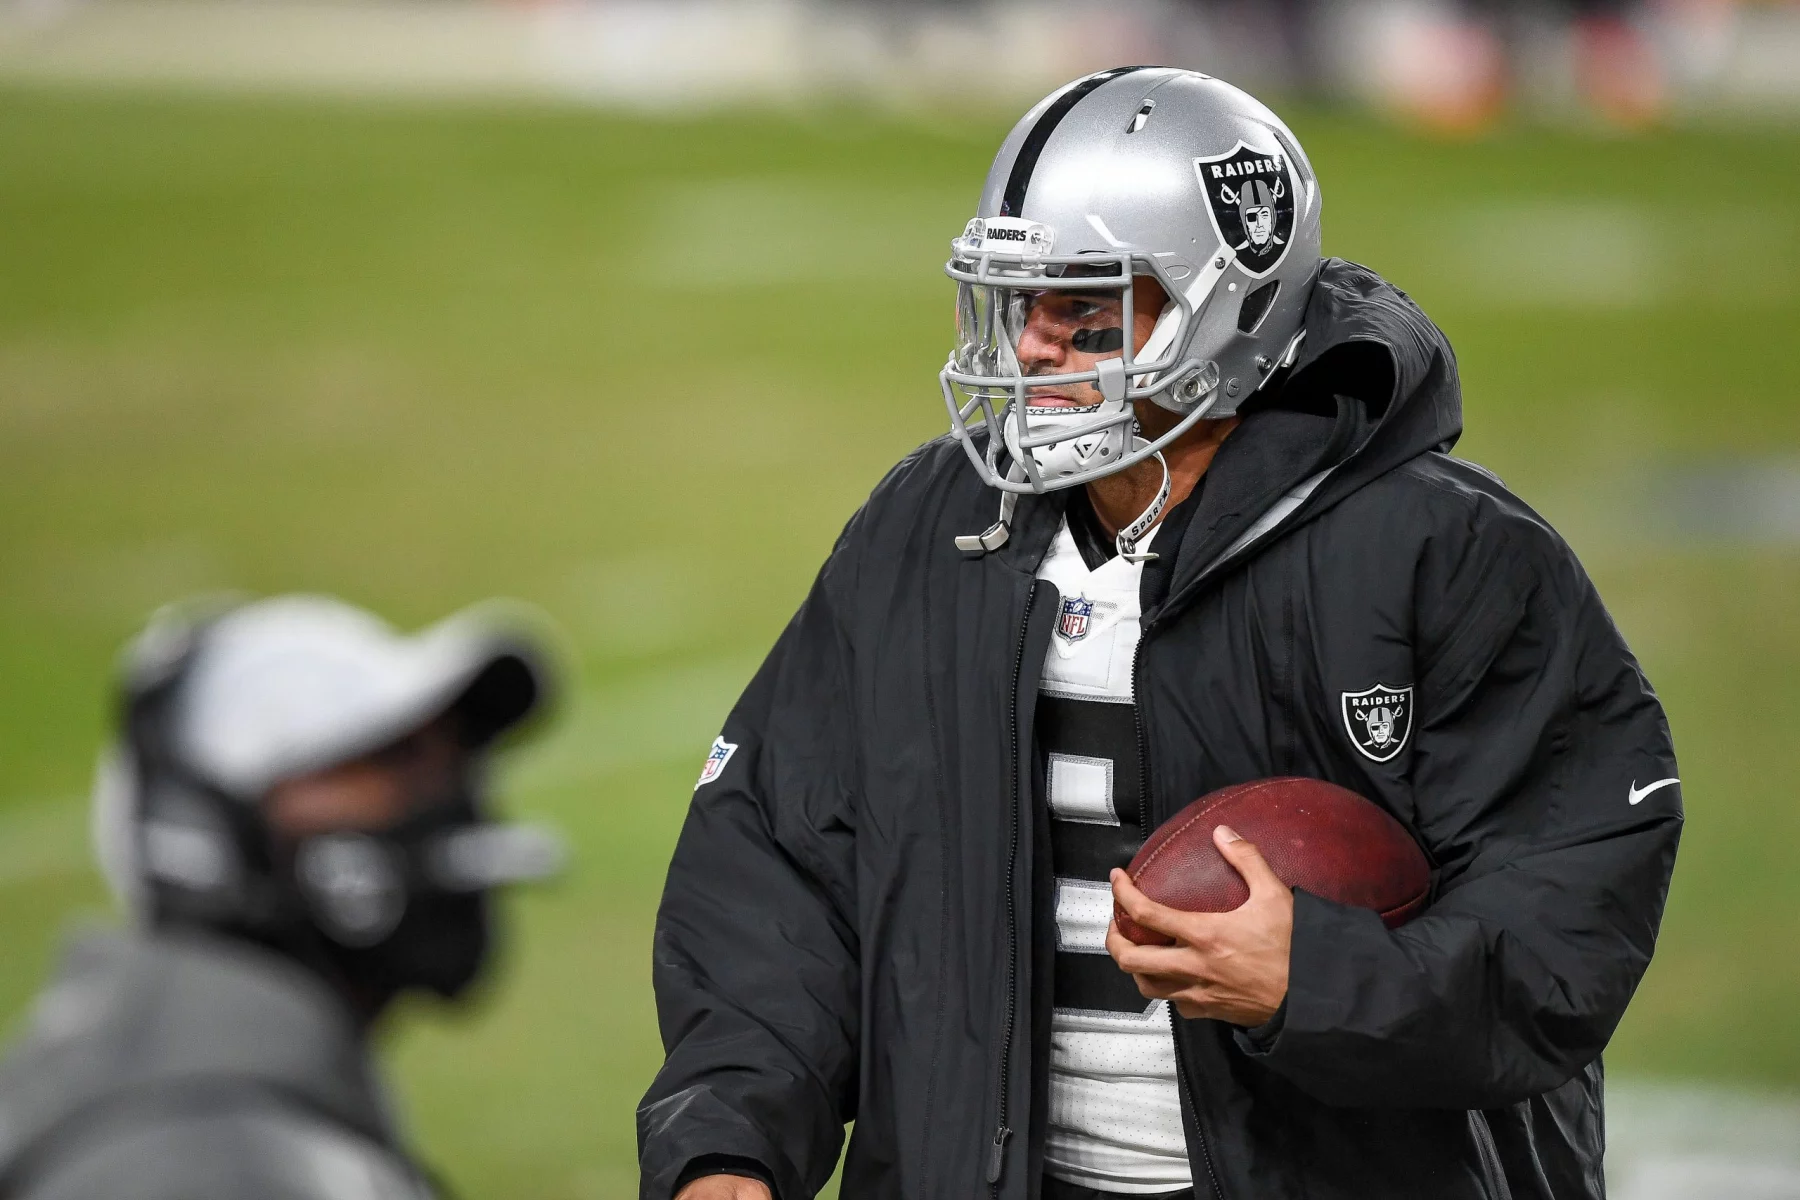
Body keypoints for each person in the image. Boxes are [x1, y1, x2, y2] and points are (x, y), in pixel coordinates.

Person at [640, 68, 1681, 1200]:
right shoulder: (929, 529)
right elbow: (780, 864)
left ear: (1225, 309)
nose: (1032, 349)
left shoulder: (1444, 554)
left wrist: (1319, 980)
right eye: (1018, 303)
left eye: (1085, 312)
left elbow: (1568, 916)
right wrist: (732, 1138)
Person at [0, 595, 564, 1200]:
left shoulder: (206, 1091)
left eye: (449, 761)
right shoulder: (198, 1159)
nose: (445, 800)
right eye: (383, 760)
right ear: (202, 828)